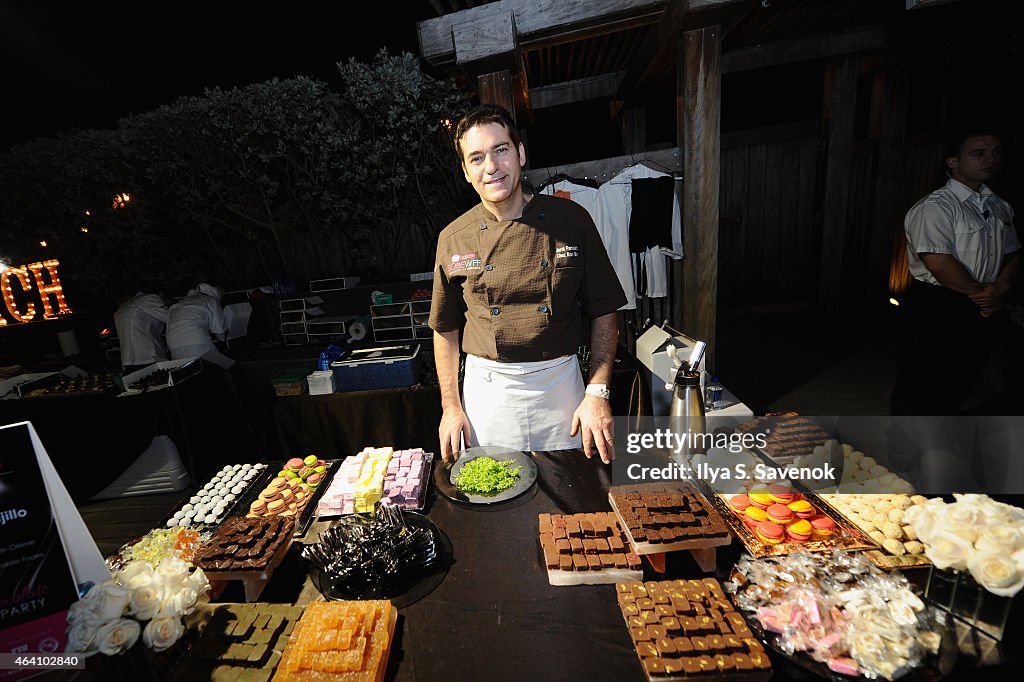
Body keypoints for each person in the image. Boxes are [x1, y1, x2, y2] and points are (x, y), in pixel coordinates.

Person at [429, 104, 627, 463]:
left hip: (561, 389)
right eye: (476, 158)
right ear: (466, 171)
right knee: (496, 498)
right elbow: (445, 328)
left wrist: (598, 392)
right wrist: (451, 407)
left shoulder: (571, 221)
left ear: (520, 154)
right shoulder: (453, 238)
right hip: (488, 398)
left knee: (574, 496)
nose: (490, 167)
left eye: (500, 150)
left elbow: (604, 308)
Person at [891, 130, 1020, 416]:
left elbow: (1012, 253)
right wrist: (984, 297)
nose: (991, 159)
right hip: (939, 303)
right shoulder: (936, 207)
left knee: (961, 378)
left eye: (996, 152)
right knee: (922, 381)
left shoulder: (999, 206)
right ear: (953, 162)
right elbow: (938, 262)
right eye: (979, 153)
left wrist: (998, 290)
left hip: (984, 301)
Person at [165, 282, 234, 367]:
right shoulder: (210, 300)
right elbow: (221, 332)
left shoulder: (177, 304)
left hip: (174, 348)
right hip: (198, 344)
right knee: (229, 366)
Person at [113, 286, 170, 374]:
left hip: (128, 360)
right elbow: (173, 319)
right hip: (149, 356)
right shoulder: (148, 298)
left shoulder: (122, 308)